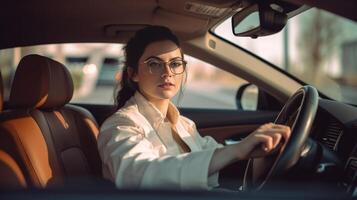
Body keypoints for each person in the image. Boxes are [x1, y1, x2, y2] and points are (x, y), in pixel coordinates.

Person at [97, 25, 291, 190]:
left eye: (175, 63)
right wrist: (237, 150)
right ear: (133, 74)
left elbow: (214, 160)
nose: (167, 73)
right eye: (154, 64)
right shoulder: (121, 125)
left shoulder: (183, 124)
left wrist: (259, 150)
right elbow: (138, 174)